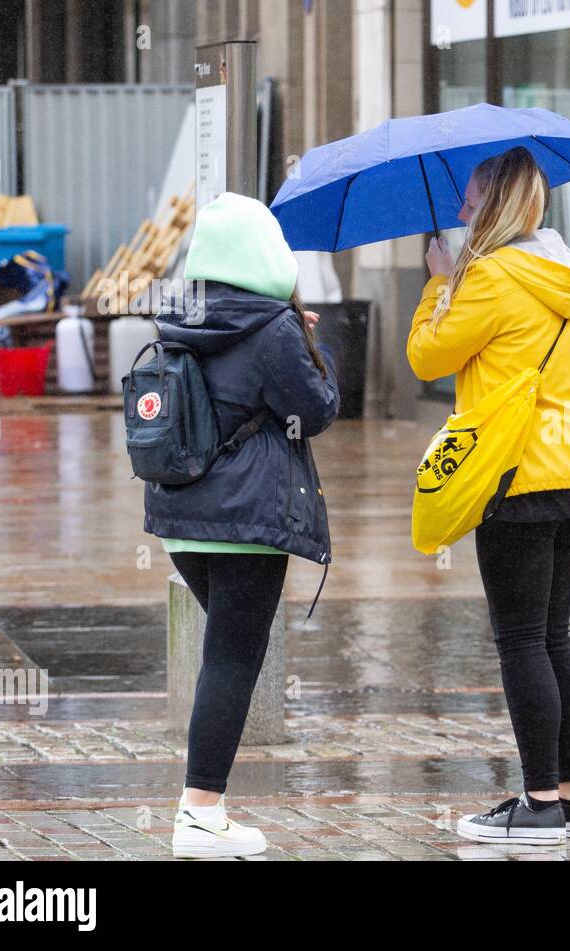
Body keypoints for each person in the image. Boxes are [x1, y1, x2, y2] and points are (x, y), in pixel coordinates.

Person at [407, 147, 570, 844]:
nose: (461, 212)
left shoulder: (491, 278)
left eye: (470, 201)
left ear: (494, 205)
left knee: (522, 638)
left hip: (517, 473)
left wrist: (438, 283)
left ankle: (537, 805)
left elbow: (427, 357)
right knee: (554, 635)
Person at [143, 192, 340, 857]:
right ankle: (200, 811)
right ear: (267, 256)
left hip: (182, 522)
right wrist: (313, 346)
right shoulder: (273, 328)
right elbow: (316, 410)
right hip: (248, 520)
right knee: (231, 657)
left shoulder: (178, 316)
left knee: (226, 653)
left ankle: (205, 806)